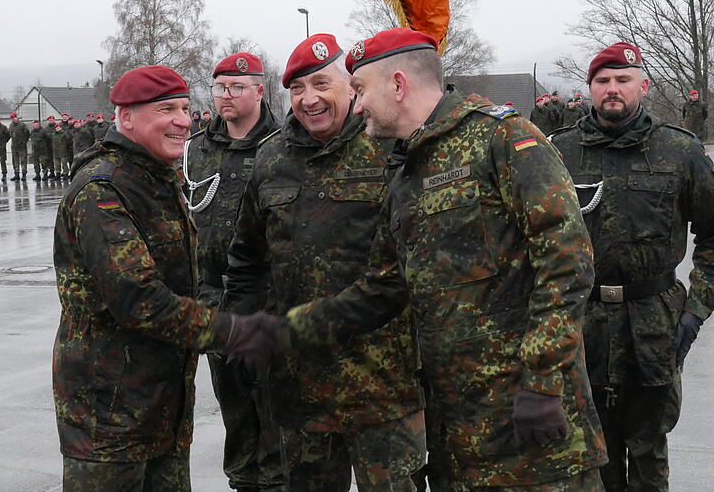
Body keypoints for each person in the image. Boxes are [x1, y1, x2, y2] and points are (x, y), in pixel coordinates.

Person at [248, 28, 608, 490]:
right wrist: (287, 329)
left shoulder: (502, 139)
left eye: (360, 91)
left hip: (530, 416)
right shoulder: (407, 171)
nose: (356, 107)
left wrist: (542, 378)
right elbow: (384, 286)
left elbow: (567, 261)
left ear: (398, 85)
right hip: (457, 423)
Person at [52, 64, 273, 492]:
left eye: (185, 109)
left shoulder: (157, 178)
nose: (183, 121)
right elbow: (139, 300)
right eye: (166, 110)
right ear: (126, 117)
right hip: (109, 418)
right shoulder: (102, 190)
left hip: (162, 409)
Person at [224, 34, 426, 492]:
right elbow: (247, 259)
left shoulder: (390, 147)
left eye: (321, 84)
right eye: (297, 89)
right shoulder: (271, 159)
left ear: (350, 87)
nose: (309, 99)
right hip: (300, 382)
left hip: (384, 380)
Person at [549, 42, 714, 492]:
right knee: (589, 454)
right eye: (602, 81)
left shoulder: (679, 150)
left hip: (654, 325)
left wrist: (696, 310)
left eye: (623, 80)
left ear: (643, 85)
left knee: (648, 452)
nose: (613, 89)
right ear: (589, 89)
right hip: (582, 325)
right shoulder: (559, 152)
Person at [185, 52, 283, 492]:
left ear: (259, 91)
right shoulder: (195, 150)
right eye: (220, 87)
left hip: (267, 302)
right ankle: (243, 482)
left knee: (275, 413)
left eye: (237, 87)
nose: (226, 96)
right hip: (214, 303)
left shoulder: (282, 145)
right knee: (235, 412)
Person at [8, 112, 30, 182]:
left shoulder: (22, 125)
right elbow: (10, 134)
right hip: (14, 146)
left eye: (15, 117)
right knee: (15, 161)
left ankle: (24, 174)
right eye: (12, 118)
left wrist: (24, 142)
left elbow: (27, 134)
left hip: (22, 146)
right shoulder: (11, 126)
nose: (14, 119)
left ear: (17, 117)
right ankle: (16, 174)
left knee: (23, 160)